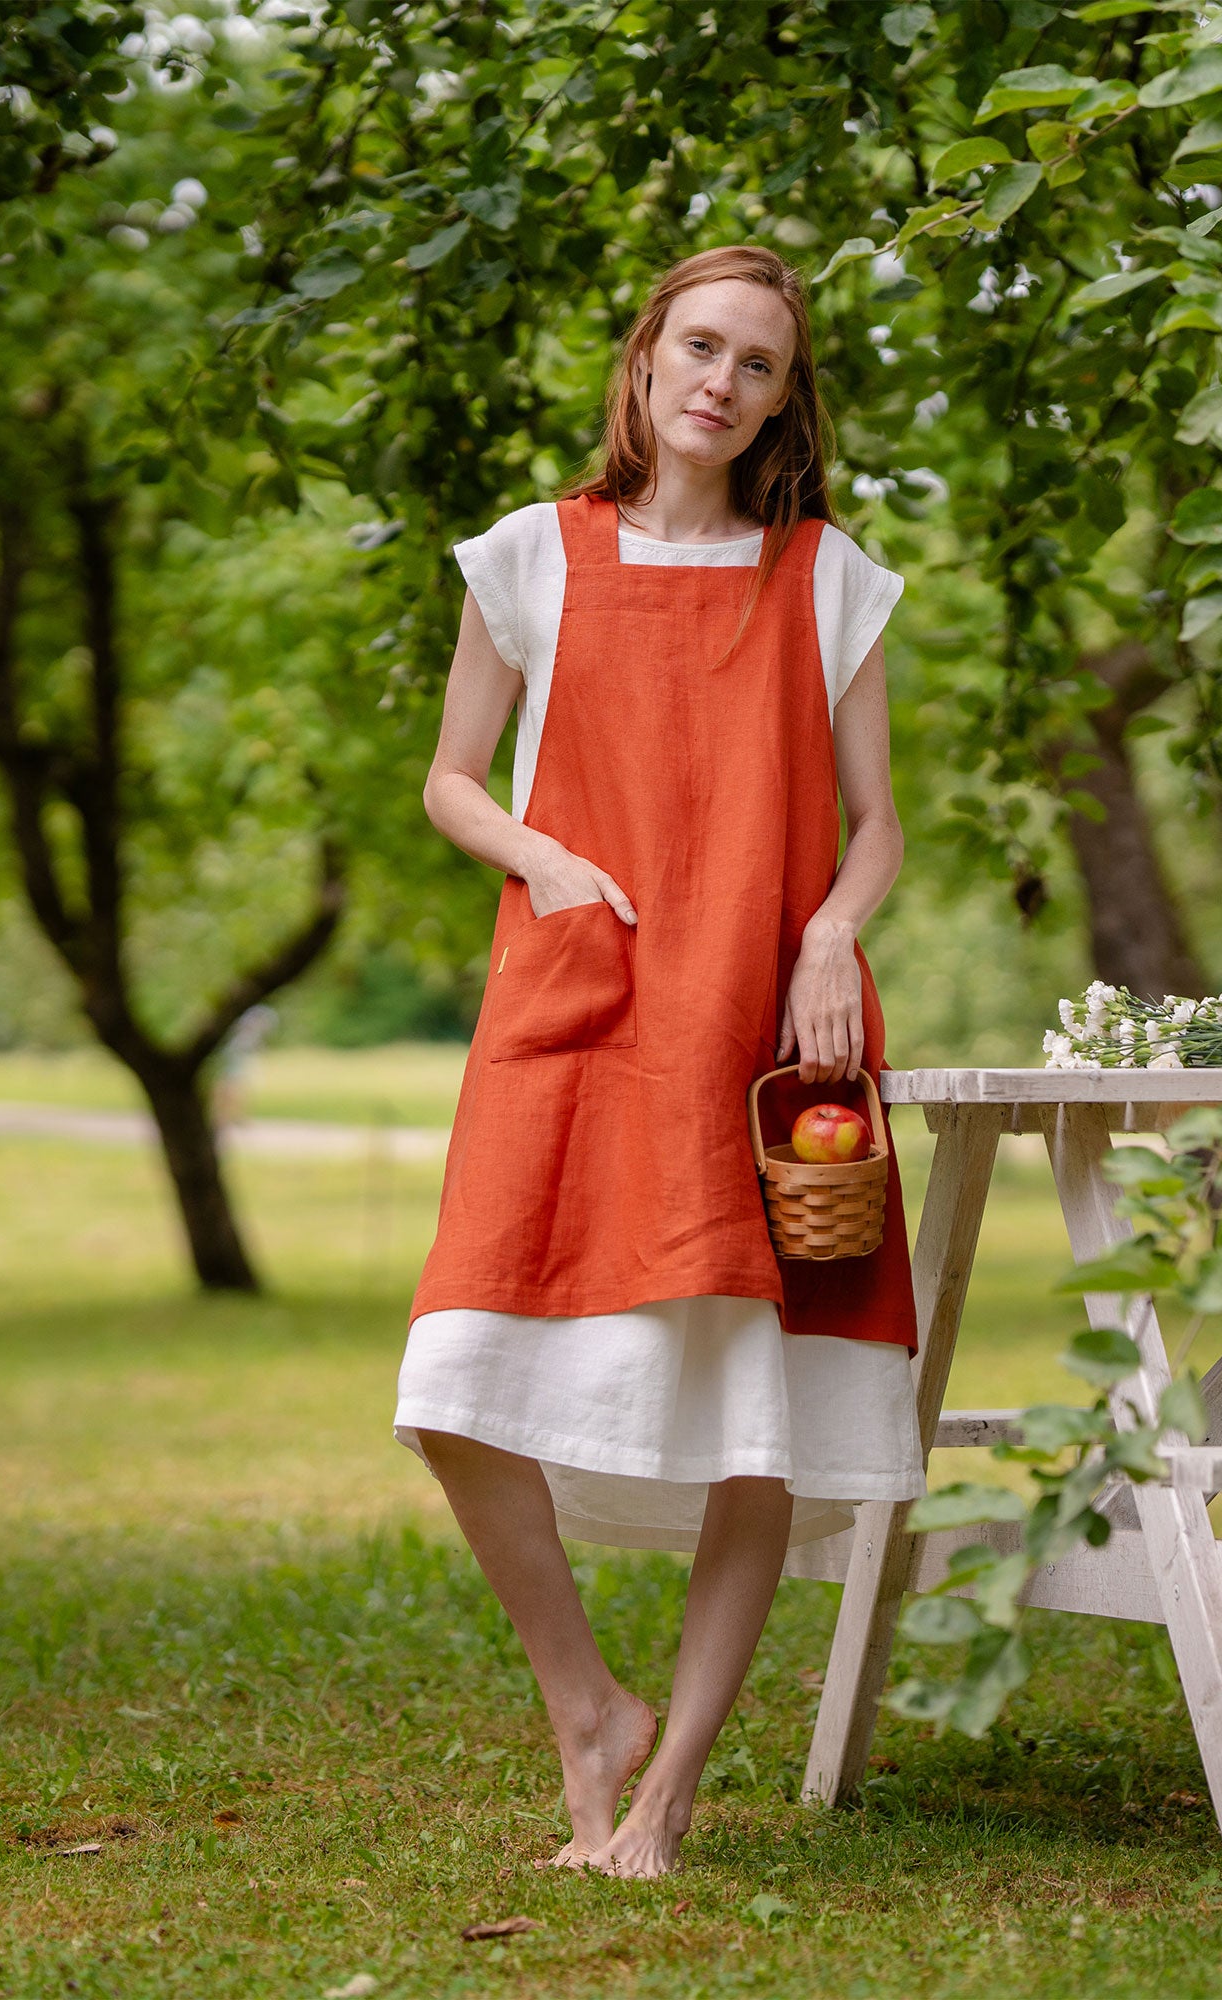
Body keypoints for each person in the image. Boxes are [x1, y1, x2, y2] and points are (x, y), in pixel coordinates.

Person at [396, 245, 920, 1879]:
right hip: (575, 1000)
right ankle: (585, 1706)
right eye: (702, 346)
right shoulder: (530, 558)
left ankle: (670, 1791)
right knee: (454, 1370)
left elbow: (881, 826)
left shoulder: (826, 574)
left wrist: (831, 931)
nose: (724, 381)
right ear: (645, 359)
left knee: (757, 1415)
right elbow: (452, 781)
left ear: (783, 401)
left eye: (759, 364)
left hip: (765, 1026)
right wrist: (542, 861)